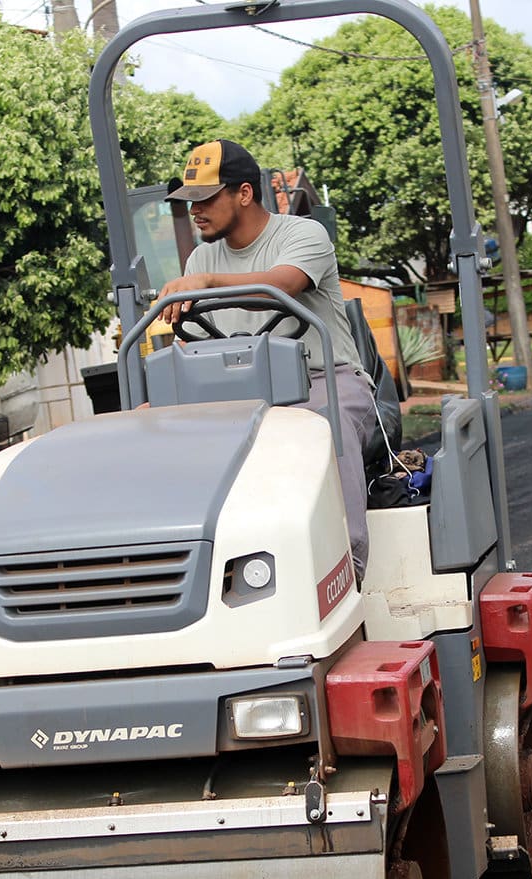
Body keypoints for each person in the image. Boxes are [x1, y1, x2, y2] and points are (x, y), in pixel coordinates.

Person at [157, 139, 381, 578]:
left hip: (322, 378)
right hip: (242, 389)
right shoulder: (203, 255)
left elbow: (278, 289)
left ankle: (348, 564)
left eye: (204, 199)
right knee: (155, 430)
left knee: (318, 426)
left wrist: (205, 281)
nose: (195, 212)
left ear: (243, 193)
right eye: (189, 202)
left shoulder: (302, 235)